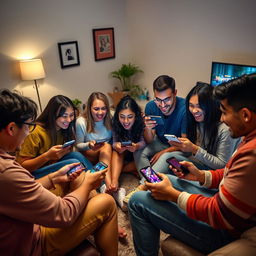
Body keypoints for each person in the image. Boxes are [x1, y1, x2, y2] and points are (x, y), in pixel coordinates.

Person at [128, 73, 256, 255]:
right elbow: (228, 172)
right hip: (219, 202)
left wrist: (173, 196)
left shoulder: (251, 155)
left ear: (245, 115)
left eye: (225, 112)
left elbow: (218, 214)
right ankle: (145, 185)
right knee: (169, 179)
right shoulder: (248, 139)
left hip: (223, 231)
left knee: (137, 201)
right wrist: (201, 176)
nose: (222, 118)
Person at [0, 89, 118, 255]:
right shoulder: (7, 171)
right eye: (28, 126)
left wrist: (53, 177)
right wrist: (88, 184)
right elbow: (64, 213)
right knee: (106, 202)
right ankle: (102, 202)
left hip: (27, 222)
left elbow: (20, 189)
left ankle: (98, 210)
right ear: (11, 128)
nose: (28, 132)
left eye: (71, 116)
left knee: (75, 170)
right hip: (33, 242)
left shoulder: (6, 165)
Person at [152, 82, 240, 173]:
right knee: (169, 163)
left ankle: (144, 185)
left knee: (167, 159)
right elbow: (193, 152)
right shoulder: (196, 121)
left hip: (214, 174)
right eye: (191, 105)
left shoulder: (224, 129)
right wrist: (182, 146)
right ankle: (144, 184)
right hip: (198, 165)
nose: (194, 111)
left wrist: (194, 149)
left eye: (199, 106)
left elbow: (222, 165)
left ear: (210, 106)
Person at [124, 75, 187, 202]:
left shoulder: (184, 108)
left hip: (179, 147)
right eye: (158, 100)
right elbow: (149, 140)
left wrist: (164, 152)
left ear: (175, 93)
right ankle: (153, 184)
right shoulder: (151, 106)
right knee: (138, 149)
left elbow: (185, 145)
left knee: (164, 158)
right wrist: (146, 127)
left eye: (167, 100)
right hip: (160, 141)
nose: (162, 105)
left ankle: (143, 186)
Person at [16, 95, 92, 179]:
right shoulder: (35, 132)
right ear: (53, 114)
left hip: (52, 164)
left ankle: (100, 183)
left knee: (76, 155)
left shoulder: (64, 129)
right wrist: (47, 156)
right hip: (34, 172)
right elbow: (22, 166)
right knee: (73, 162)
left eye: (71, 115)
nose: (69, 120)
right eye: (64, 116)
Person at [111, 96, 145, 209]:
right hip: (122, 153)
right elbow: (114, 142)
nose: (126, 121)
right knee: (116, 152)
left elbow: (144, 142)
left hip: (136, 154)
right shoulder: (115, 122)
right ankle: (114, 181)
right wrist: (117, 146)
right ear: (118, 116)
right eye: (122, 117)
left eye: (130, 117)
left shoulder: (141, 123)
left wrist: (136, 146)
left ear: (136, 115)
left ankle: (120, 170)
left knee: (145, 161)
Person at [76, 92, 112, 189]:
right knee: (106, 146)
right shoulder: (81, 122)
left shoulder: (110, 118)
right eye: (96, 109)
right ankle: (109, 185)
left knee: (109, 148)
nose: (100, 113)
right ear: (89, 109)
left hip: (106, 154)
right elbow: (78, 145)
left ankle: (106, 184)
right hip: (89, 153)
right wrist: (89, 145)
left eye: (103, 108)